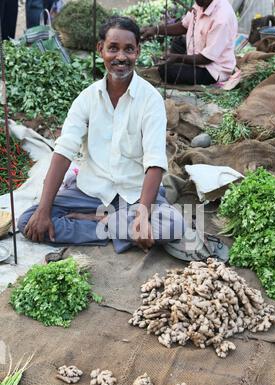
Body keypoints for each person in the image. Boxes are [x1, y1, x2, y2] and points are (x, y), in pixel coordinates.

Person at [18, 16, 185, 254]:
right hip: (92, 192)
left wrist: (143, 214)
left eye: (129, 49)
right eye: (113, 48)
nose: (120, 57)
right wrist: (44, 210)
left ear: (137, 51)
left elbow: (155, 161)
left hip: (135, 194)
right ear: (100, 50)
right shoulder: (86, 99)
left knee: (173, 225)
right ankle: (114, 225)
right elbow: (63, 152)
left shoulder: (151, 100)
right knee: (29, 220)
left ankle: (100, 222)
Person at [141, 0, 238, 85]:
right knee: (178, 42)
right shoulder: (201, 3)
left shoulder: (222, 19)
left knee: (166, 71)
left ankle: (182, 66)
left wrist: (177, 58)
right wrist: (156, 30)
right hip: (199, 54)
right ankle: (184, 66)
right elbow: (183, 26)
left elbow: (207, 59)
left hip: (212, 69)